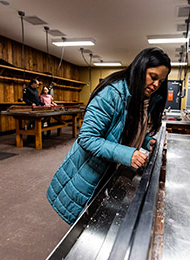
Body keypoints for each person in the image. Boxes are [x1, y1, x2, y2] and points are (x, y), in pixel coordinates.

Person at [46, 47, 171, 225]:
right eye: (153, 77)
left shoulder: (142, 97)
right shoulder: (111, 93)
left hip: (111, 165)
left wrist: (144, 140)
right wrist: (128, 154)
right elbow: (87, 138)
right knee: (85, 225)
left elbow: (125, 127)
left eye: (162, 80)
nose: (157, 85)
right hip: (90, 170)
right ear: (140, 69)